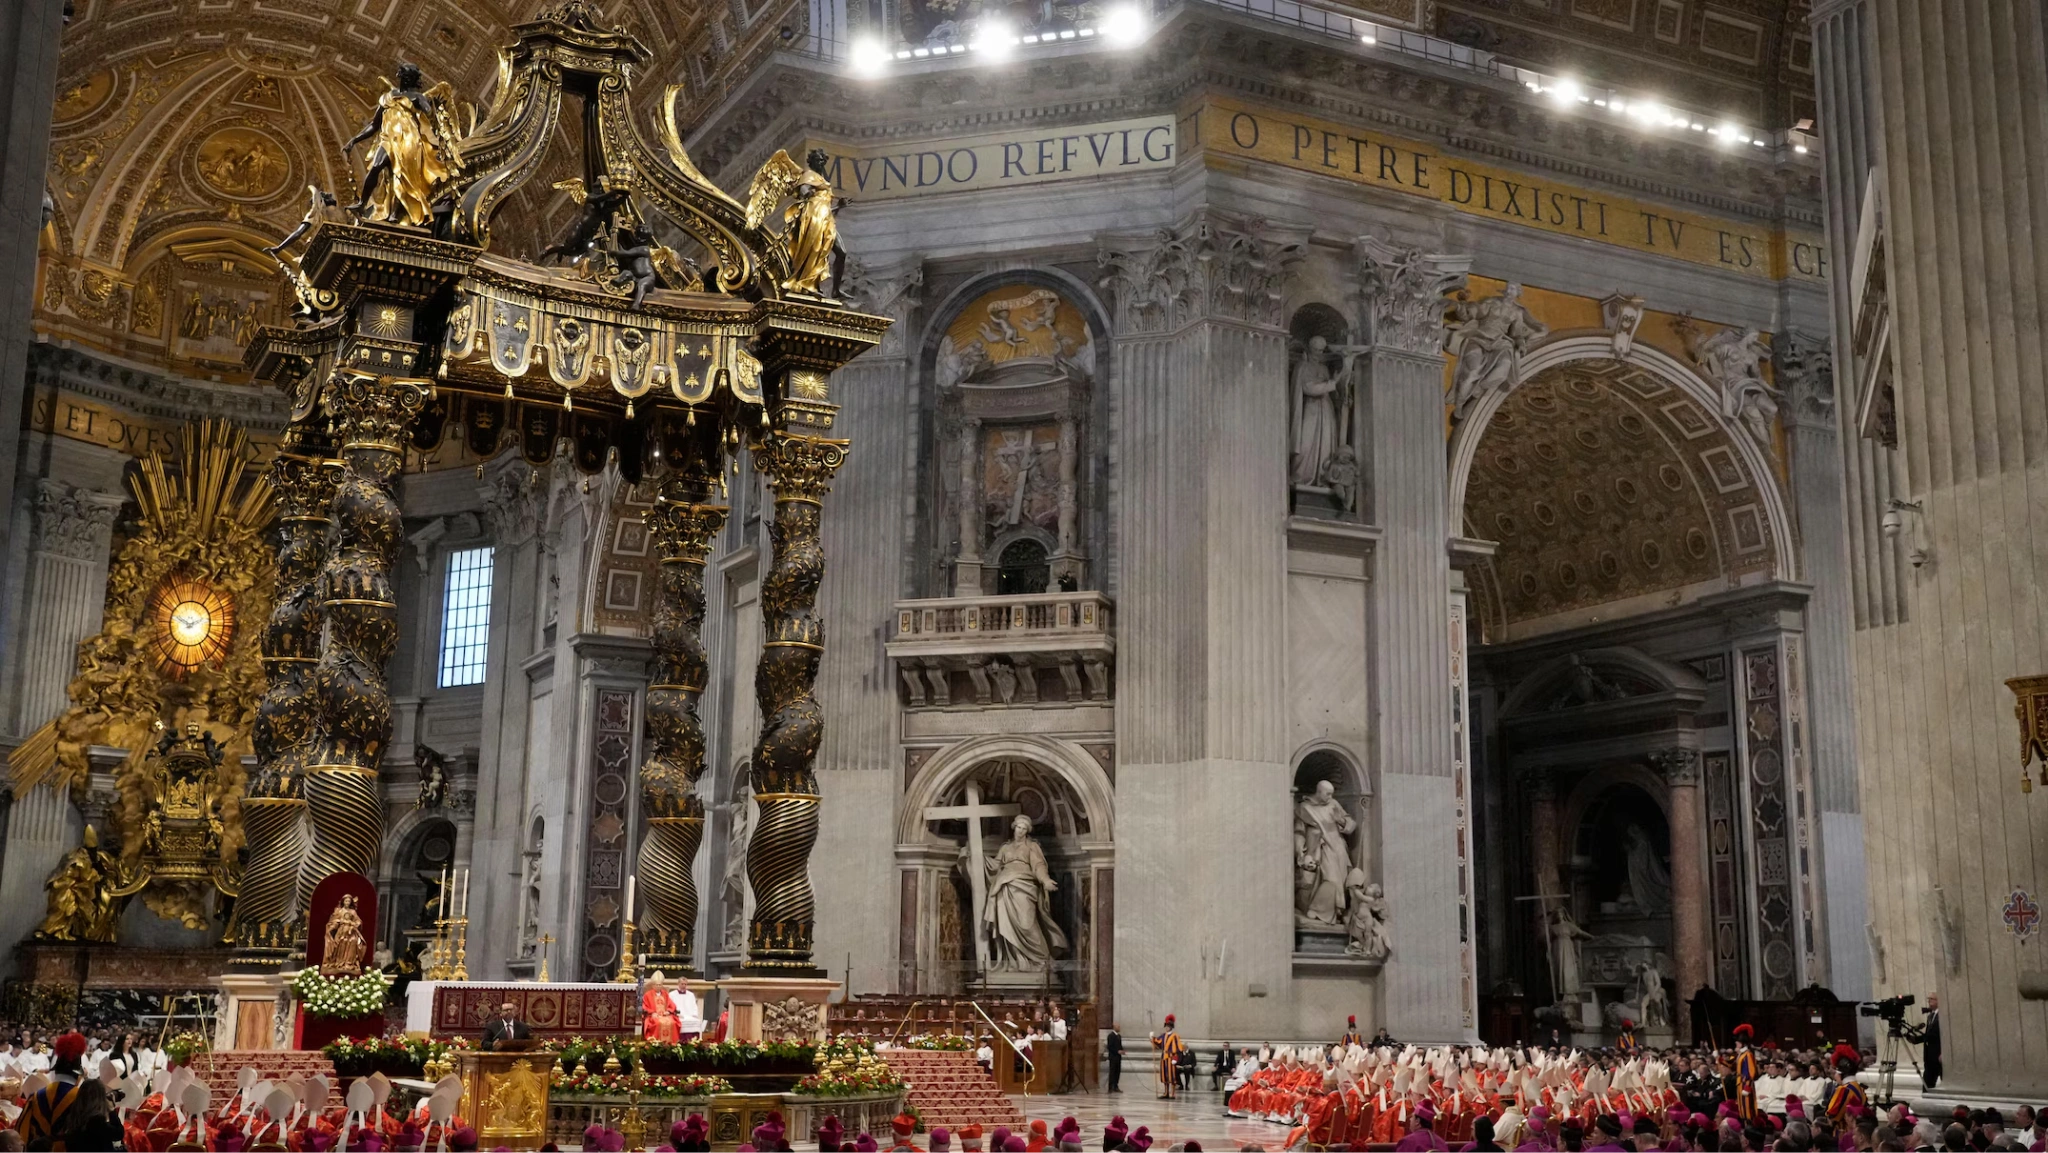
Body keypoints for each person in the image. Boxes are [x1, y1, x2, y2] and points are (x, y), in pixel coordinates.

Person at [1152, 1015, 1186, 1101]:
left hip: (1171, 1057)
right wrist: (1152, 1038)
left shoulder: (1175, 1036)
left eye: (1168, 1026)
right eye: (1166, 1026)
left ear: (1171, 1027)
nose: (1167, 1028)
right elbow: (1158, 1043)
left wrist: (1176, 1059)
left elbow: (1179, 1049)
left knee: (1172, 1076)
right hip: (1164, 1057)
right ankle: (1166, 1092)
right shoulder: (1163, 1036)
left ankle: (1172, 1093)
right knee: (1165, 1076)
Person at [1921, 994, 1942, 1091]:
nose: (1929, 1001)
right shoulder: (1930, 1016)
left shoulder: (1943, 1015)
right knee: (1927, 1083)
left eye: (1932, 999)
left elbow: (1943, 1035)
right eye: (1928, 999)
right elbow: (1929, 1035)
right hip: (1930, 1056)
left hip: (1939, 1055)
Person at [1104, 1024, 1122, 1093]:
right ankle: (1110, 1087)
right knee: (1112, 1072)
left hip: (1118, 1057)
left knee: (1117, 1072)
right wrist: (1117, 1051)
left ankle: (1116, 1086)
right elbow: (1110, 1047)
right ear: (1114, 1027)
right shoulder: (1111, 1036)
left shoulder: (1119, 1036)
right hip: (1113, 1057)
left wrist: (1122, 1051)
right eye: (1118, 1026)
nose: (1119, 1028)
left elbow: (1120, 1046)